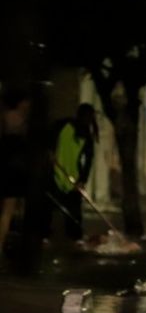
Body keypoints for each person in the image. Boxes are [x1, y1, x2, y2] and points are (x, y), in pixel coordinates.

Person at [48, 103, 98, 241]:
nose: (88, 120)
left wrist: (82, 180)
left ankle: (75, 243)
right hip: (55, 175)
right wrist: (50, 151)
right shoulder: (63, 126)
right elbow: (50, 137)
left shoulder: (87, 137)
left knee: (74, 218)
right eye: (87, 116)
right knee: (47, 212)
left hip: (73, 180)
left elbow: (88, 160)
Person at [0, 88, 31, 252]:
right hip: (13, 167)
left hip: (9, 164)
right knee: (8, 209)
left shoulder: (5, 116)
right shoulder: (19, 119)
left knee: (8, 210)